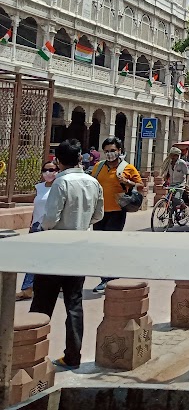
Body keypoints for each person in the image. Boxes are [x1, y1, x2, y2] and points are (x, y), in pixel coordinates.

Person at [32, 139, 104, 370]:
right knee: (74, 304)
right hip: (80, 247)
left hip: (55, 249)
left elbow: (51, 219)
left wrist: (42, 227)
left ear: (58, 161)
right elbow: (98, 216)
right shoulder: (93, 182)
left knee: (43, 302)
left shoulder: (61, 184)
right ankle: (73, 356)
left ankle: (31, 354)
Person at [90, 137, 144, 293]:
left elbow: (141, 186)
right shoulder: (98, 167)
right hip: (99, 213)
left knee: (109, 245)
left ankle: (108, 280)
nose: (110, 154)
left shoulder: (127, 168)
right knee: (100, 246)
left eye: (113, 150)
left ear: (120, 151)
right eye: (106, 151)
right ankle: (106, 278)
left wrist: (127, 182)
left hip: (117, 211)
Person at [16, 161, 58, 300]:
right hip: (36, 226)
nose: (48, 173)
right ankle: (28, 288)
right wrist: (31, 223)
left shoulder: (59, 187)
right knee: (33, 258)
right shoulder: (39, 187)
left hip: (51, 227)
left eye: (52, 170)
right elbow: (36, 207)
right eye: (45, 170)